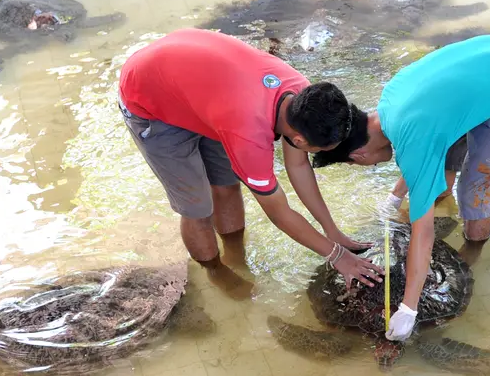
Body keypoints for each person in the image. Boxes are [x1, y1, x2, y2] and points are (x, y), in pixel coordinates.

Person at [312, 34, 490, 341]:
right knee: (443, 156)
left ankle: (475, 248)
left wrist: (409, 308)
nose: (369, 166)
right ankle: (440, 203)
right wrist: (396, 196)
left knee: (475, 189)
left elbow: (423, 232)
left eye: (358, 164)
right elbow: (421, 151)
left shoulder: (414, 143)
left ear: (356, 154)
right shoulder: (389, 103)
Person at [118, 28, 382, 297]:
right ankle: (215, 271)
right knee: (198, 208)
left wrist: (332, 232)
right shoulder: (249, 136)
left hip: (200, 83)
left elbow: (298, 167)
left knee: (227, 185)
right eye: (319, 149)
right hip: (150, 96)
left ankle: (235, 254)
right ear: (300, 140)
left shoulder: (306, 98)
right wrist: (337, 255)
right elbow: (279, 213)